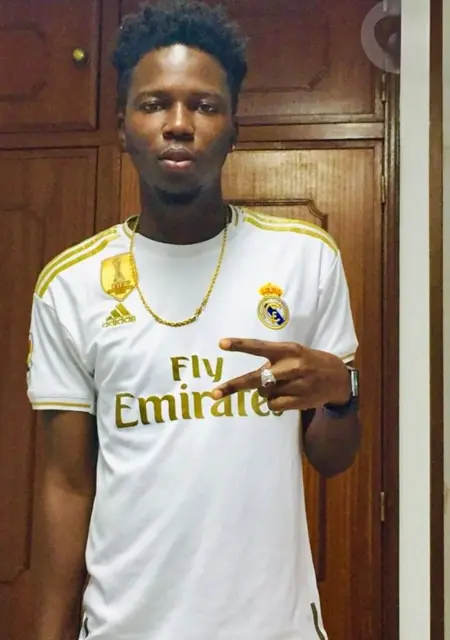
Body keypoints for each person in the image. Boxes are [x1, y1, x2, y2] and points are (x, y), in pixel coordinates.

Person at [27, 1, 361, 638]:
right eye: (154, 104)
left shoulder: (304, 259)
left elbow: (333, 458)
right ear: (123, 126)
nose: (178, 124)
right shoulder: (70, 287)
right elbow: (67, 486)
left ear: (234, 128)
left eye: (204, 106)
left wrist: (343, 395)